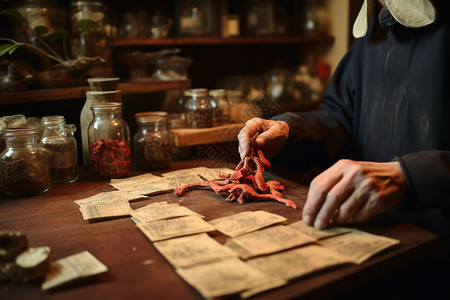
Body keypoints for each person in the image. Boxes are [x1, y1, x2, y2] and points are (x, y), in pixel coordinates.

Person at [238, 0, 450, 295]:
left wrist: (409, 176)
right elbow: (340, 118)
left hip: (439, 259)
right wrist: (289, 131)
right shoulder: (373, 32)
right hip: (375, 249)